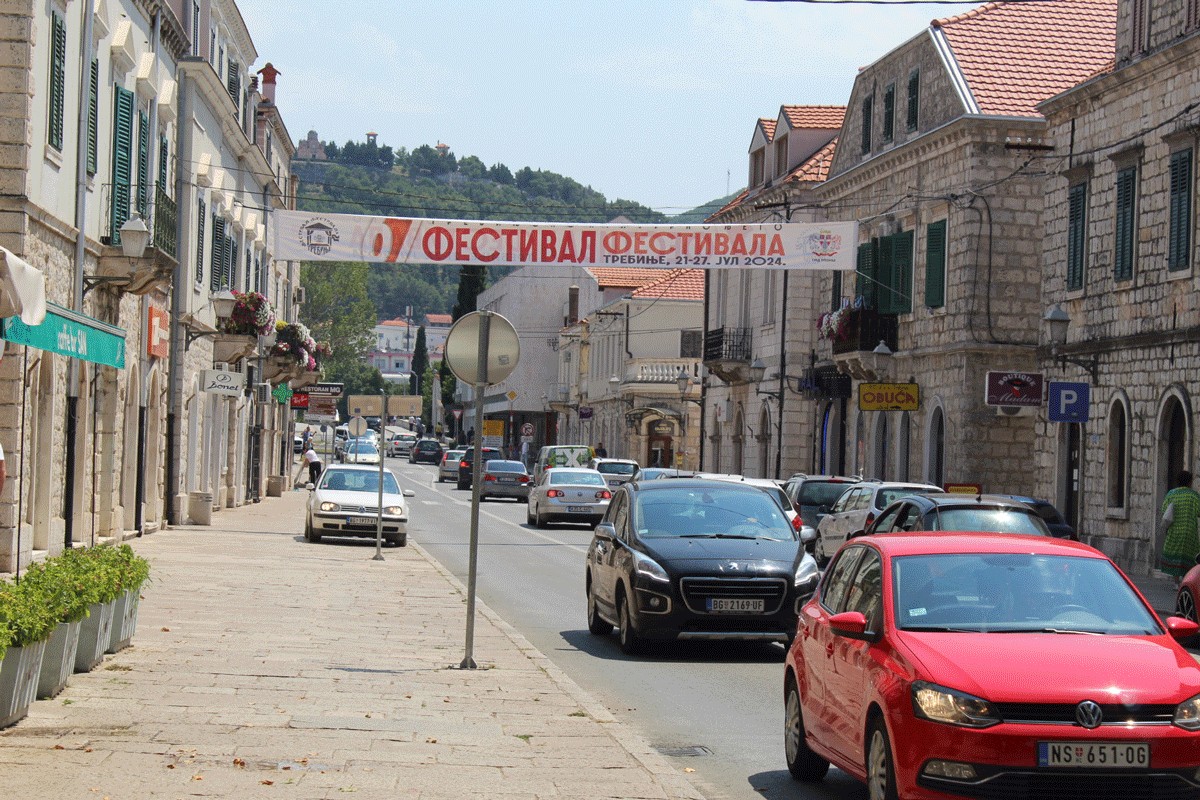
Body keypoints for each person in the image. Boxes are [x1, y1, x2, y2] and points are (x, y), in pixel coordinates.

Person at [1160, 470, 1200, 583]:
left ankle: (1176, 581)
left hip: (1175, 530)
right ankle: (1186, 579)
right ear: (1189, 482)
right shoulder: (1194, 496)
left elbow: (1164, 510)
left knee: (1175, 554)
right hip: (1190, 531)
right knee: (1190, 556)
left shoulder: (1171, 494)